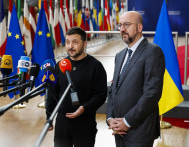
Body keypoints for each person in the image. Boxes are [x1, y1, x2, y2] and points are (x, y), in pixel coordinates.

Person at [107, 11, 165, 147]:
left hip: (140, 131)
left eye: (126, 25)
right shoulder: (119, 55)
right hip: (118, 131)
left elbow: (152, 94)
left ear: (139, 28)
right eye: (120, 25)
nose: (122, 29)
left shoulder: (153, 52)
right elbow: (113, 90)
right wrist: (110, 118)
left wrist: (126, 122)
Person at [46, 27, 107, 147]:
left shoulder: (95, 66)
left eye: (75, 42)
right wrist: (49, 117)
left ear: (84, 44)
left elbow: (101, 95)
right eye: (67, 42)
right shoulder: (60, 65)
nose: (70, 46)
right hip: (62, 122)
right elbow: (53, 93)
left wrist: (84, 108)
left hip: (85, 122)